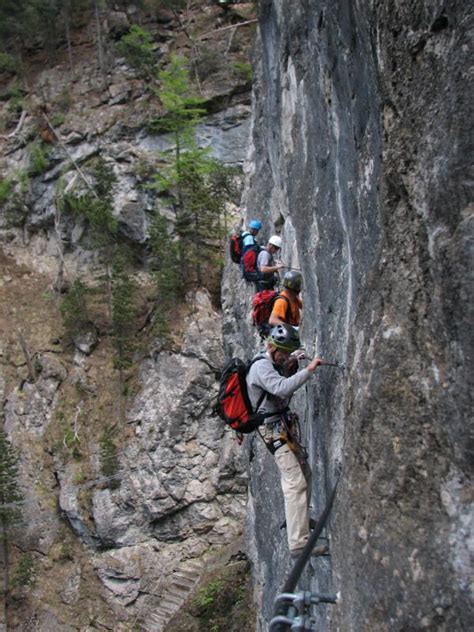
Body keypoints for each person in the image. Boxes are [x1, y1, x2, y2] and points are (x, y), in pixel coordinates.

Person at [246, 323, 323, 558]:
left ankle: (299, 519)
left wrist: (292, 362)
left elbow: (280, 381)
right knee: (294, 482)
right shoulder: (261, 367)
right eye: (284, 353)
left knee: (305, 473)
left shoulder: (272, 361)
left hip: (281, 425)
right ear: (272, 347)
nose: (285, 357)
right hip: (272, 430)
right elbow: (280, 388)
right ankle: (298, 544)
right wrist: (308, 369)